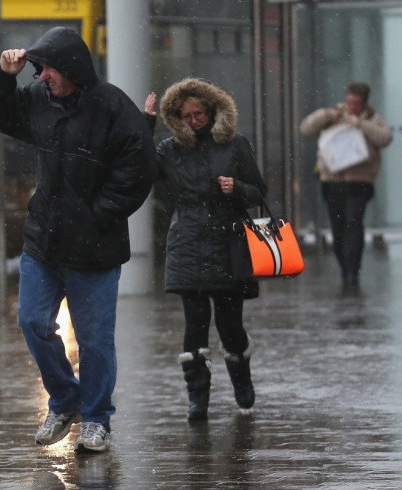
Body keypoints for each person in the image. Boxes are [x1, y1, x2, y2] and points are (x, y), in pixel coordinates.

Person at [0, 27, 155, 452]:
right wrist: (4, 75)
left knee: (94, 340)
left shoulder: (112, 106)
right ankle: (65, 400)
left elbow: (139, 168)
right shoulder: (38, 99)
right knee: (32, 322)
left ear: (71, 69)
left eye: (47, 70)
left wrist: (96, 215)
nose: (40, 78)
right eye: (38, 71)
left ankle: (96, 419)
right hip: (44, 242)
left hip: (94, 248)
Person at [146, 78, 267, 422]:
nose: (194, 120)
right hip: (187, 241)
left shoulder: (236, 145)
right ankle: (197, 399)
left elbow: (259, 191)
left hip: (230, 241)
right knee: (194, 323)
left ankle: (242, 384)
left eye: (199, 113)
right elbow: (142, 170)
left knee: (231, 325)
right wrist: (146, 124)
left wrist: (238, 188)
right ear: (176, 118)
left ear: (213, 112)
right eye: (186, 116)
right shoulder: (169, 149)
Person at [300, 82, 392, 288]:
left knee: (353, 223)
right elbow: (306, 128)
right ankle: (345, 266)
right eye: (349, 101)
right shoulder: (335, 115)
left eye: (356, 103)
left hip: (359, 182)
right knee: (338, 227)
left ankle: (352, 270)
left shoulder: (371, 119)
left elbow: (385, 138)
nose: (351, 106)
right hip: (332, 182)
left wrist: (359, 123)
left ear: (364, 103)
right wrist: (326, 116)